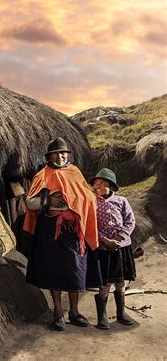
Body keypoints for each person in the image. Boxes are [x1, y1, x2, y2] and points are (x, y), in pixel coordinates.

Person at [23, 137, 99, 331]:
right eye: (56, 153)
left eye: (63, 153)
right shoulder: (42, 175)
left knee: (75, 269)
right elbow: (30, 202)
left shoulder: (75, 173)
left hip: (73, 231)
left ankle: (74, 312)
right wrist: (47, 201)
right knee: (53, 270)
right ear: (49, 156)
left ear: (68, 155)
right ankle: (58, 312)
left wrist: (74, 203)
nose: (60, 156)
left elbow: (89, 196)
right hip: (49, 229)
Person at [90, 168, 136, 330]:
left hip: (121, 247)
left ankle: (121, 313)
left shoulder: (122, 201)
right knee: (105, 282)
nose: (98, 187)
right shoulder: (93, 203)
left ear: (111, 186)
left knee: (121, 281)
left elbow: (130, 221)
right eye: (96, 184)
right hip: (104, 249)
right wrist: (104, 240)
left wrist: (118, 239)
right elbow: (91, 226)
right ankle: (102, 316)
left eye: (102, 184)